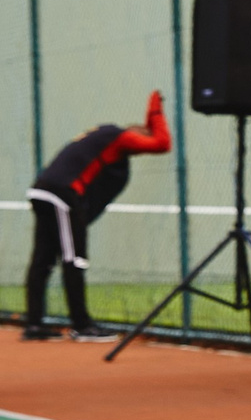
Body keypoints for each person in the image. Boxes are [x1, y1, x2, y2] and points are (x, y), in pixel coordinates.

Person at [23, 91, 172, 341]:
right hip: (62, 194)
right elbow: (162, 143)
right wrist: (155, 109)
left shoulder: (102, 135)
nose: (138, 150)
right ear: (135, 135)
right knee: (75, 259)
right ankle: (81, 326)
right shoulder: (119, 136)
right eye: (138, 145)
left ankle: (34, 326)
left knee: (43, 259)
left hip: (42, 190)